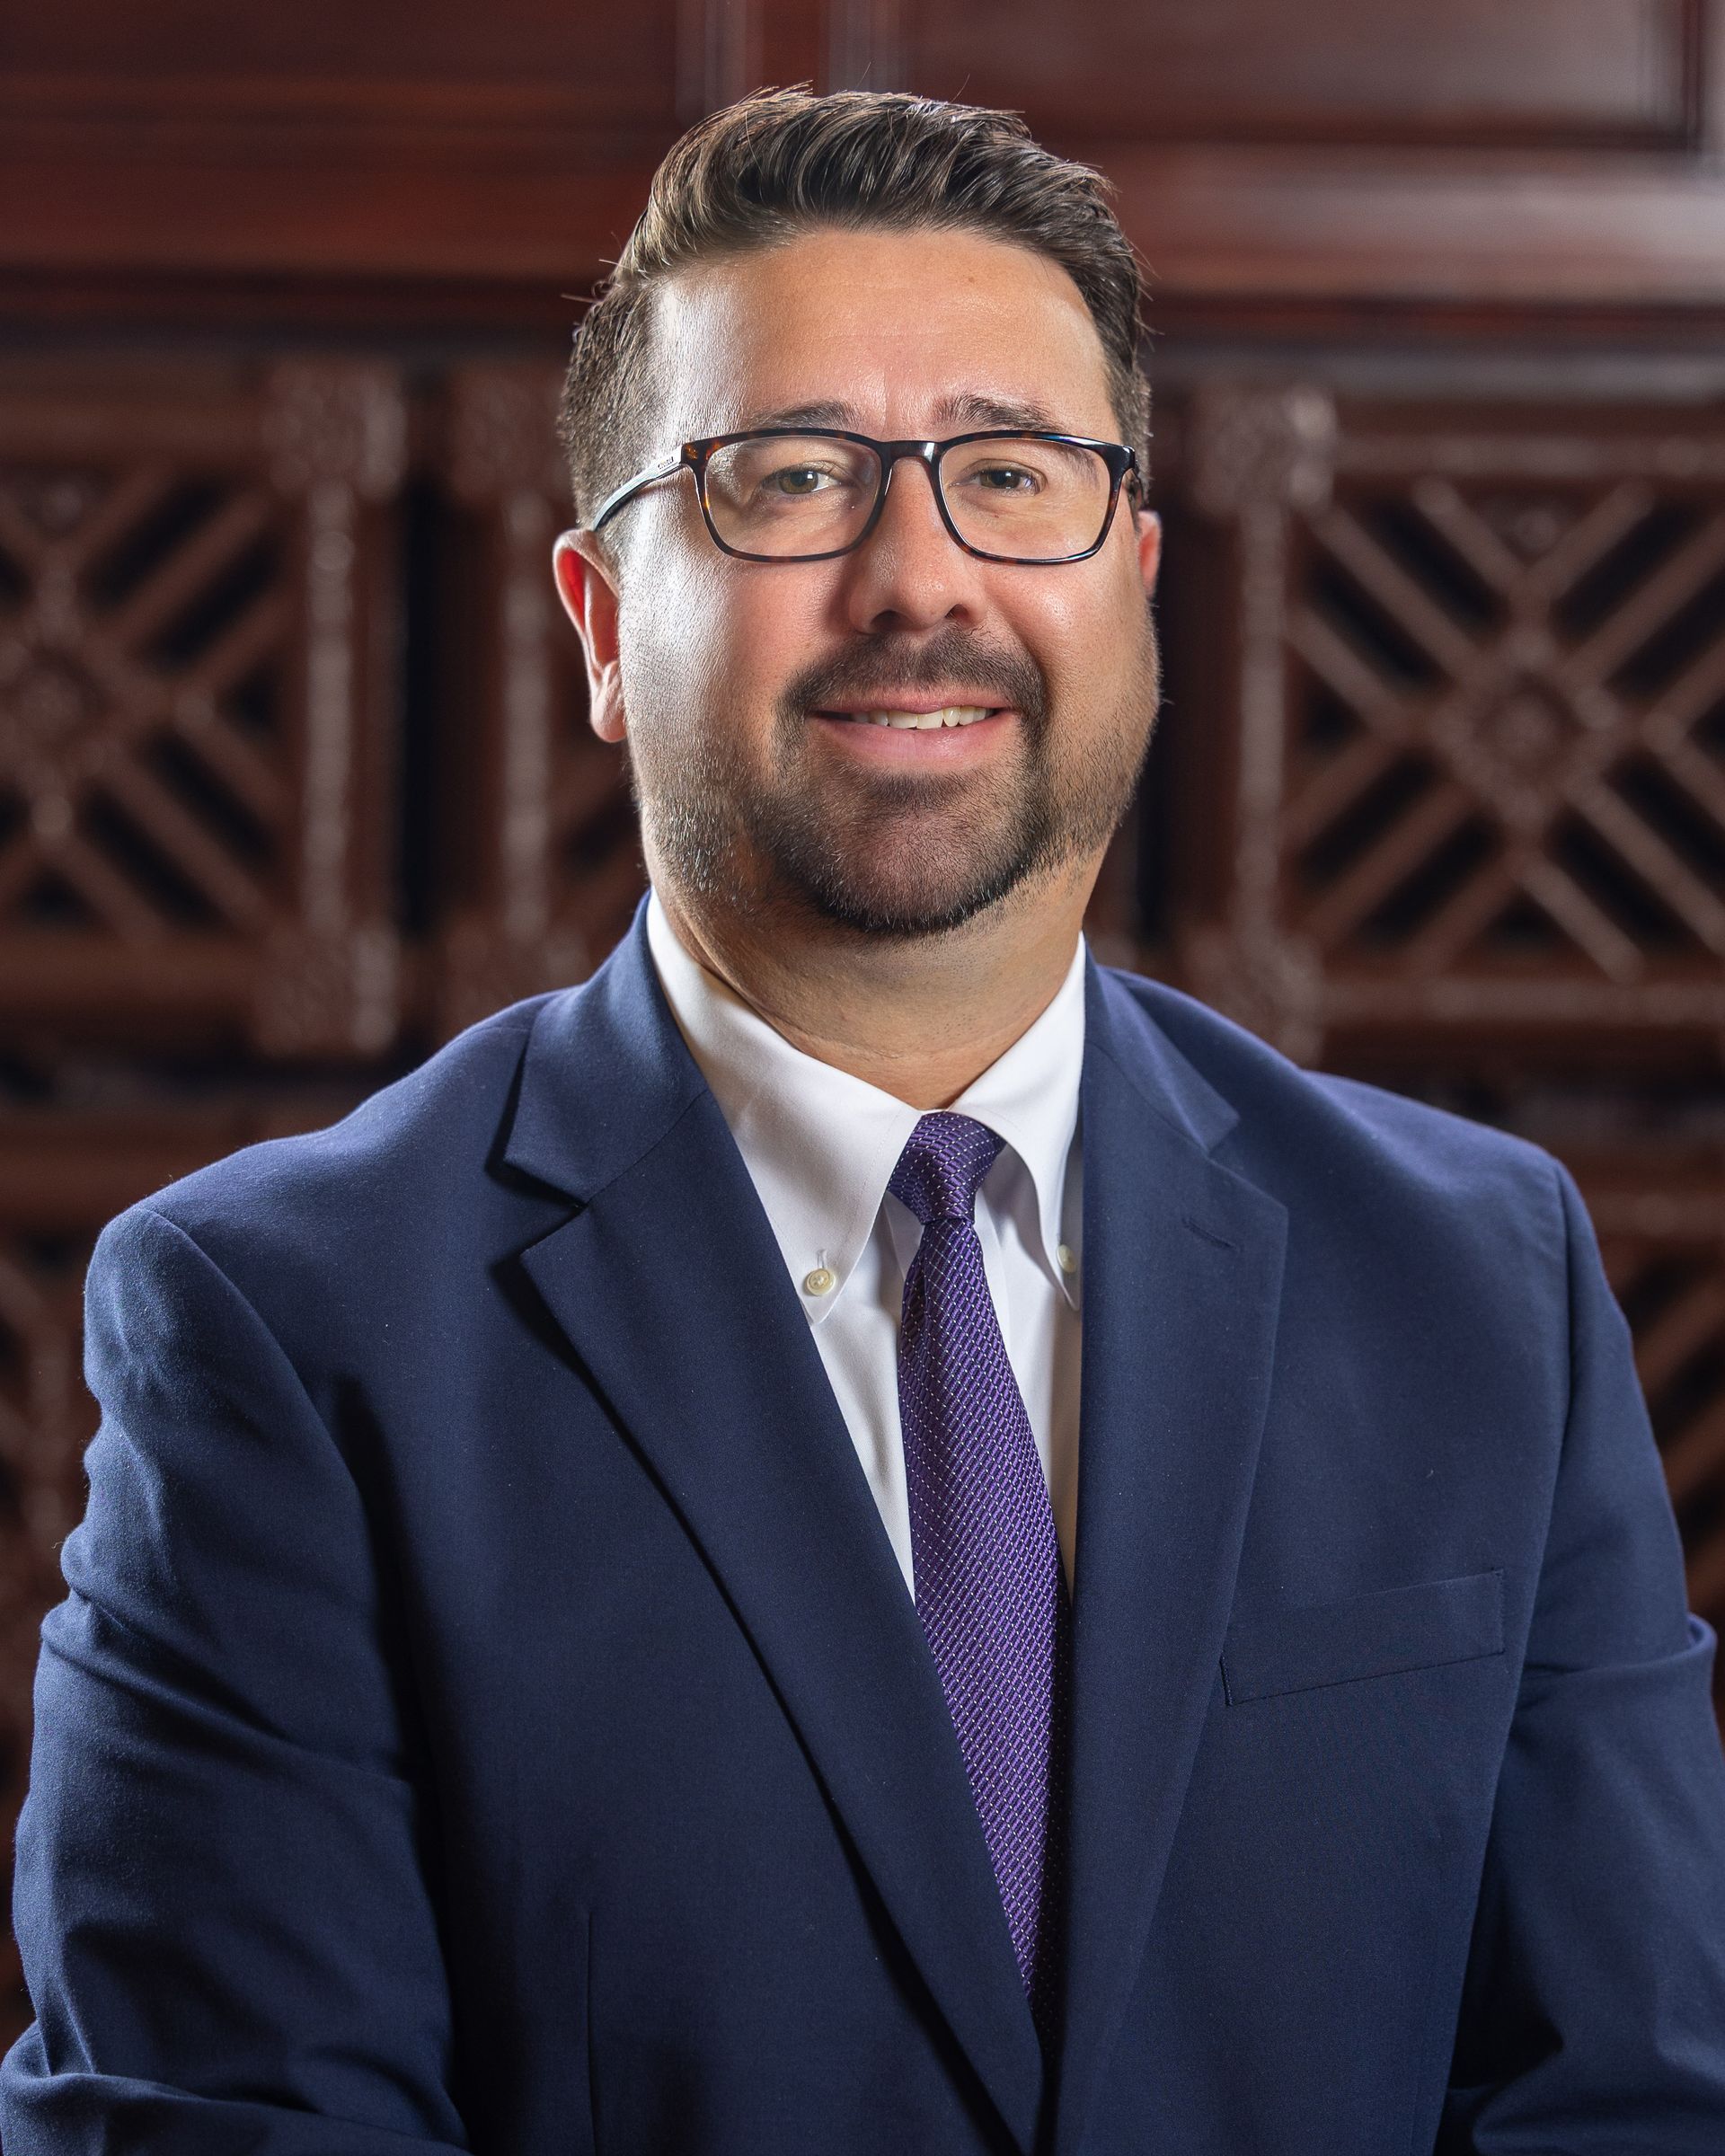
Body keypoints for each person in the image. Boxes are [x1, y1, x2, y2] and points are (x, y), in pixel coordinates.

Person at [4, 85, 1725, 2156]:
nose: (921, 578)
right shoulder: (285, 1331)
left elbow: (1628, 2101)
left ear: (1139, 589)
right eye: (790, 479)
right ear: (602, 627)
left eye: (1013, 474)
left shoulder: (1478, 1283)